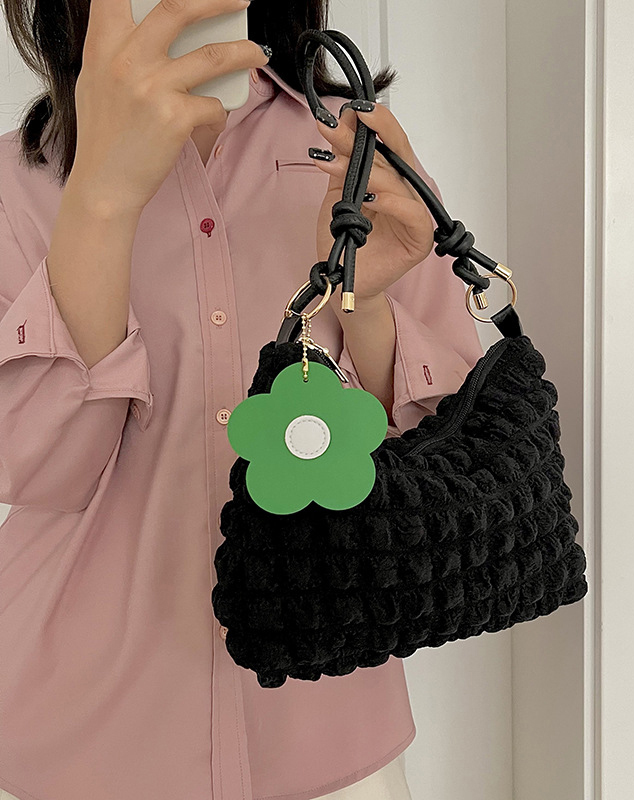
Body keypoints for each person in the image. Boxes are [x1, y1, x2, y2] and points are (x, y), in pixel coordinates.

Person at [0, 0, 486, 797]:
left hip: (329, 722)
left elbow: (441, 449)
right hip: (82, 735)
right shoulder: (15, 186)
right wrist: (101, 205)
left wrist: (364, 304)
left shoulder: (350, 148)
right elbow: (44, 470)